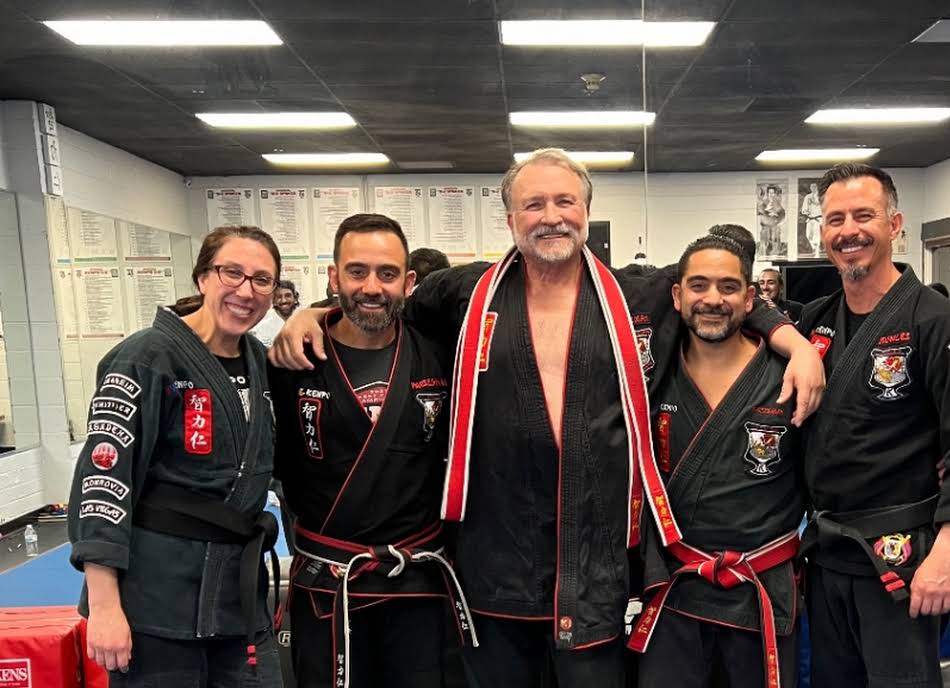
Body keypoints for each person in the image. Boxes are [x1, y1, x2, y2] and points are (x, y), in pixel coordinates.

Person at [272, 149, 823, 688]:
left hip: (595, 561)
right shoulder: (464, 292)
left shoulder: (639, 293)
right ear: (510, 218)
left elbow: (721, 294)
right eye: (533, 204)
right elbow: (381, 309)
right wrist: (313, 314)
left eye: (565, 201)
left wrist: (794, 342)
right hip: (495, 558)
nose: (551, 216)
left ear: (586, 210)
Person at [795, 163, 950, 688]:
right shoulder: (815, 321)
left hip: (900, 556)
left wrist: (948, 552)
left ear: (894, 224)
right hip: (830, 551)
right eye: (835, 219)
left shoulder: (938, 322)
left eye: (864, 215)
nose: (849, 231)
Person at [68, 225, 283, 686]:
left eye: (262, 280)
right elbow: (103, 480)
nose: (246, 291)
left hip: (236, 603)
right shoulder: (146, 357)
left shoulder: (261, 362)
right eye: (232, 273)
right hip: (156, 605)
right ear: (203, 277)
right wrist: (104, 607)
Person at [270, 214, 471, 688]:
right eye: (357, 272)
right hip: (329, 585)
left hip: (417, 585)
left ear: (409, 282)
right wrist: (305, 317)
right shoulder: (292, 359)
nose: (372, 287)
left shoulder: (441, 353)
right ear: (334, 277)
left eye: (387, 273)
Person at [630, 236, 805, 688]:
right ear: (677, 296)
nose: (713, 299)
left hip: (759, 588)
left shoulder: (790, 377)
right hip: (676, 591)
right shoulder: (650, 377)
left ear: (750, 299)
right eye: (699, 285)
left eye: (728, 287)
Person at [251, 280, 299, 347]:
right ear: (273, 301)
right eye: (279, 297)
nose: (283, 300)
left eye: (288, 296)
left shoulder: (304, 324)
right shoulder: (262, 329)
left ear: (295, 299)